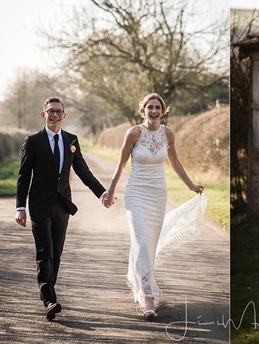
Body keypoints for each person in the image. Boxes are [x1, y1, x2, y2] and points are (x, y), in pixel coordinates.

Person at [104, 92, 204, 318]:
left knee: (149, 244)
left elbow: (175, 162)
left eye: (158, 107)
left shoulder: (168, 133)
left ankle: (141, 282)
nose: (154, 111)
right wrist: (110, 193)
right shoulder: (134, 133)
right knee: (140, 240)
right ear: (143, 110)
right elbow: (120, 165)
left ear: (163, 110)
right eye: (150, 107)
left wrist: (190, 185)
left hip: (158, 194)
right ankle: (148, 298)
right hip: (136, 194)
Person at [15, 96, 111, 321]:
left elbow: (83, 171)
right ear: (43, 115)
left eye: (58, 111)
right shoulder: (33, 141)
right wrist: (20, 207)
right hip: (39, 205)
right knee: (44, 252)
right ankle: (49, 300)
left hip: (62, 205)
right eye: (50, 111)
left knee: (56, 253)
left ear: (64, 115)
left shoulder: (71, 140)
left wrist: (102, 193)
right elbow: (23, 177)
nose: (55, 115)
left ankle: (49, 294)